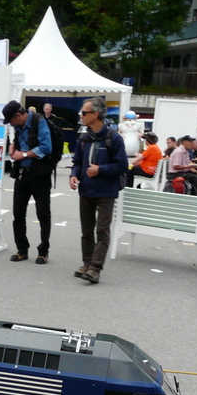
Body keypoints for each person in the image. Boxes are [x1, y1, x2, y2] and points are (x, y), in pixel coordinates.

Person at [69, 97, 128, 284]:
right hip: (86, 191)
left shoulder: (114, 138)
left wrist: (100, 170)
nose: (81, 116)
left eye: (84, 113)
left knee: (102, 231)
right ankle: (87, 264)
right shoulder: (84, 138)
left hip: (105, 193)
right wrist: (73, 174)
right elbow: (77, 162)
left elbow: (121, 166)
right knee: (86, 231)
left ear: (95, 114)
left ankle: (95, 268)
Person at [3, 99, 53, 263]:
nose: (11, 124)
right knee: (18, 213)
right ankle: (22, 249)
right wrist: (13, 146)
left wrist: (23, 154)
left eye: (11, 121)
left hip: (40, 175)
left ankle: (43, 251)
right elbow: (18, 141)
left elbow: (46, 147)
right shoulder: (18, 125)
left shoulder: (39, 121)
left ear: (18, 115)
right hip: (22, 174)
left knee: (43, 214)